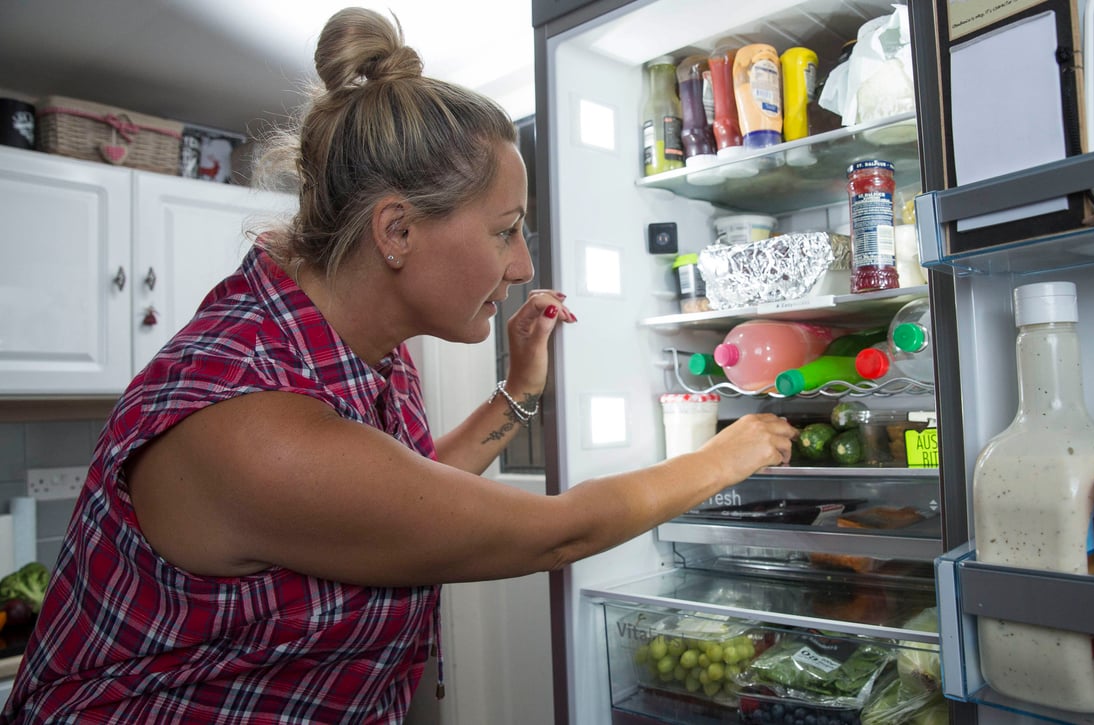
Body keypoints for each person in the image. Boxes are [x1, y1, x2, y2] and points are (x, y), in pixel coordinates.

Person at [0, 7, 796, 723]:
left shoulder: (351, 350)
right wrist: (732, 451)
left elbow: (400, 499)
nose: (522, 265)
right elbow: (557, 534)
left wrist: (518, 392)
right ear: (398, 231)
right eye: (506, 229)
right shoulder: (253, 422)